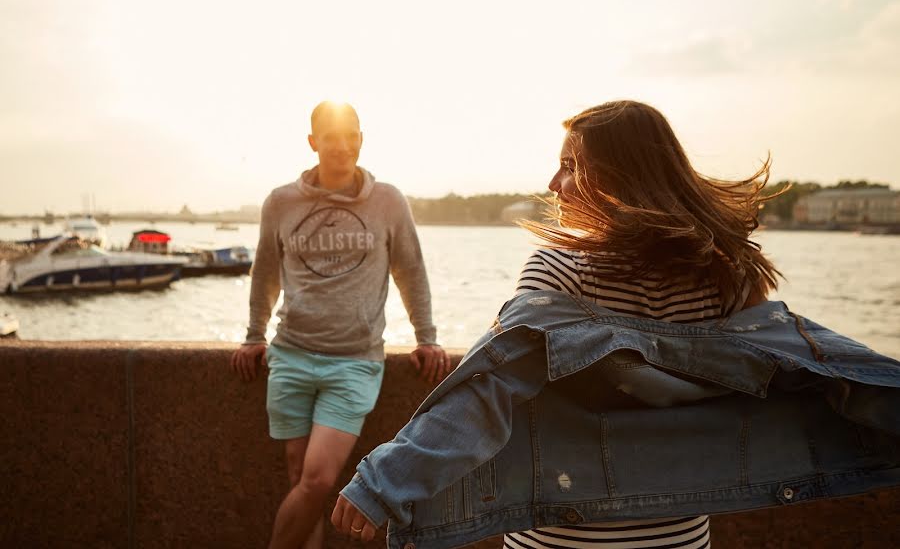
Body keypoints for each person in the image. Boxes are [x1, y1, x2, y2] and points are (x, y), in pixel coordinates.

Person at [330, 101, 900, 547]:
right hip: (677, 531)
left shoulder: (557, 269)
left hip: (562, 528)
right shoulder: (727, 277)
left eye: (571, 166)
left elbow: (492, 385)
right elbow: (803, 366)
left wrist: (385, 480)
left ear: (620, 176)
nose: (554, 185)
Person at [231, 100, 452, 549]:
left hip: (353, 362)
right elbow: (266, 273)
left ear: (361, 140)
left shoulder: (387, 201)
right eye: (330, 136)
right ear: (313, 143)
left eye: (350, 134)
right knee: (299, 480)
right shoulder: (281, 202)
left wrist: (426, 338)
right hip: (290, 354)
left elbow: (410, 270)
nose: (342, 145)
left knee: (317, 480)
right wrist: (255, 336)